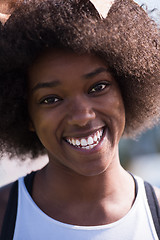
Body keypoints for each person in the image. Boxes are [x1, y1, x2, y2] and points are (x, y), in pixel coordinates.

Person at [0, 0, 160, 239]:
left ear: (126, 88)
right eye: (51, 99)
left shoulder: (156, 212)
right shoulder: (3, 217)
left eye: (98, 87)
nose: (83, 116)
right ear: (27, 116)